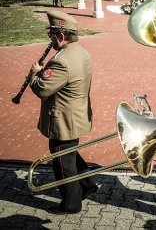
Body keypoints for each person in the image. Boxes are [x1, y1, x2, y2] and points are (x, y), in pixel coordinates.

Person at [30, 11, 99, 214]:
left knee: (62, 161)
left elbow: (42, 89)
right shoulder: (80, 52)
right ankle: (87, 184)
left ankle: (71, 204)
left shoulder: (61, 60)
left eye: (51, 35)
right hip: (76, 114)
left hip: (63, 119)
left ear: (61, 36)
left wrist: (35, 74)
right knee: (69, 154)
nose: (50, 39)